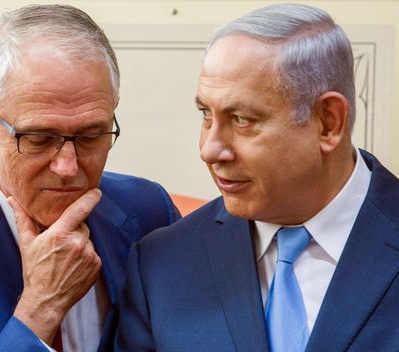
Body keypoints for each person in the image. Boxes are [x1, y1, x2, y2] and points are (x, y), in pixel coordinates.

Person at [115, 3, 398, 352]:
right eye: (206, 114)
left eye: (242, 119)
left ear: (328, 122)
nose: (209, 149)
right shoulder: (160, 267)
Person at [0, 4, 180, 352]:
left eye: (91, 136)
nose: (67, 167)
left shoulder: (150, 212)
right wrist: (41, 307)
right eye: (38, 139)